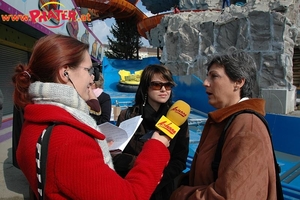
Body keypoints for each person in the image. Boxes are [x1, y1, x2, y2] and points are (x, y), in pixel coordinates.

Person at [12, 34, 170, 200]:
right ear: (64, 73)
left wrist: (95, 150)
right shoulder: (68, 140)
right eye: (88, 70)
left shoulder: (35, 119)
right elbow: (130, 196)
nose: (92, 78)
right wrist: (156, 147)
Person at [170, 48, 278, 199]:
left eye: (214, 76)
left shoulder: (247, 126)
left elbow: (230, 196)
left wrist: (179, 195)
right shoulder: (226, 121)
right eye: (207, 76)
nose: (205, 83)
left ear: (238, 82)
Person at [113, 64, 190, 200]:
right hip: (132, 186)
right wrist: (142, 166)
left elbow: (179, 159)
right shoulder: (127, 115)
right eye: (156, 85)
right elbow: (117, 155)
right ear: (145, 87)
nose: (163, 90)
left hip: (163, 191)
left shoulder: (178, 118)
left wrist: (158, 178)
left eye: (168, 85)